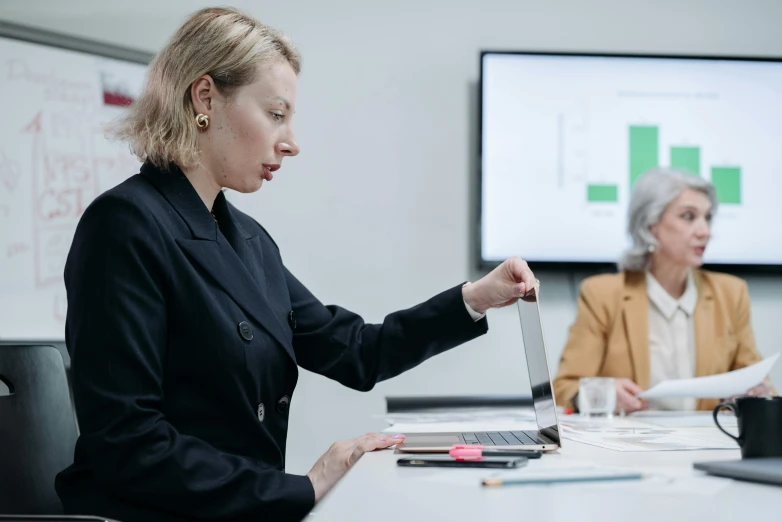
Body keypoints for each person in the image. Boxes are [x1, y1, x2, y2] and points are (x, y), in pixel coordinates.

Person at [55, 7, 539, 522]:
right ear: (204, 98)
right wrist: (304, 488)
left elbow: (355, 351)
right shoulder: (125, 224)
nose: (291, 142)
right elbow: (129, 444)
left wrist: (476, 298)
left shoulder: (247, 239)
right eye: (275, 114)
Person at [553, 168, 774, 414]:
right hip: (630, 447)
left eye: (708, 218)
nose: (705, 231)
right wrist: (603, 394)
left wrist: (758, 393)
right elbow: (564, 388)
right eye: (689, 217)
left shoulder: (731, 293)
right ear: (650, 224)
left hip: (709, 446)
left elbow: (758, 382)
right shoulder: (603, 294)